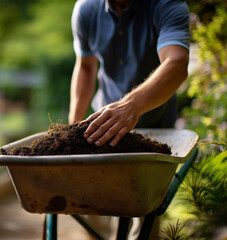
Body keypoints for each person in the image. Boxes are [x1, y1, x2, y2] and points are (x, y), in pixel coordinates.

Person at [68, 0, 190, 239]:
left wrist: (131, 106)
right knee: (89, 208)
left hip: (155, 130)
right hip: (102, 126)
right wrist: (73, 129)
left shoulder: (166, 4)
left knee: (143, 217)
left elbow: (176, 63)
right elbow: (85, 66)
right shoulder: (86, 9)